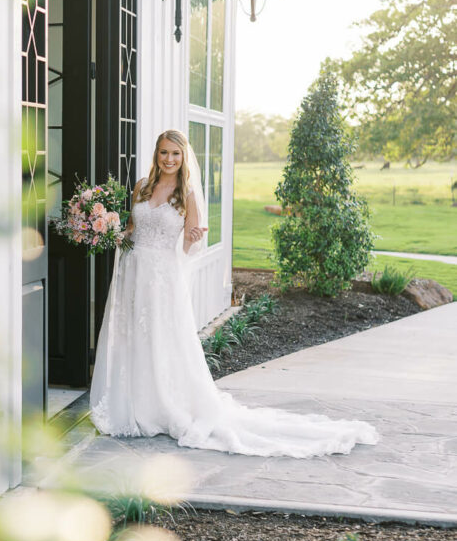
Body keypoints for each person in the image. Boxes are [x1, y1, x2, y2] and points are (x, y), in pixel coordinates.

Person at [89, 129, 379, 457]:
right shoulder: (141, 186)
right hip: (133, 271)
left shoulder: (187, 194)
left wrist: (193, 236)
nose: (169, 159)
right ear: (156, 154)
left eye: (175, 154)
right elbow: (131, 230)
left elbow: (187, 247)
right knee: (132, 336)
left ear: (183, 158)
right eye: (164, 153)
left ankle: (160, 405)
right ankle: (132, 401)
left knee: (158, 337)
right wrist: (106, 231)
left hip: (161, 277)